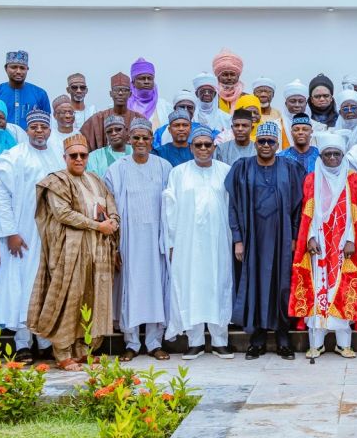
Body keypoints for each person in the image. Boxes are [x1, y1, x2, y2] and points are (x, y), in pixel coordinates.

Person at [26, 133, 119, 371]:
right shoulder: (56, 181)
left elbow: (110, 203)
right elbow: (62, 213)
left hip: (97, 249)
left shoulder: (95, 179)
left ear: (88, 156)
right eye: (73, 155)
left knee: (92, 296)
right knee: (69, 299)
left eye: (83, 155)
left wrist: (114, 221)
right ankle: (63, 352)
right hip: (71, 249)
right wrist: (99, 226)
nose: (78, 159)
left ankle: (83, 350)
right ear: (64, 157)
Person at [0, 108, 64, 362]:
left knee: (47, 284)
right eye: (34, 128)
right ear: (27, 130)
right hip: (23, 234)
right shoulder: (14, 157)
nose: (39, 131)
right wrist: (10, 232)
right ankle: (22, 343)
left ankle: (44, 341)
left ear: (50, 131)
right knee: (22, 286)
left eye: (43, 127)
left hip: (51, 234)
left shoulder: (57, 158)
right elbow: (2, 198)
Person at [228, 121, 306, 360]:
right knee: (255, 285)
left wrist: (294, 237)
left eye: (270, 141)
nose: (265, 145)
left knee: (282, 286)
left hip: (282, 237)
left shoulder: (291, 169)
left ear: (277, 144)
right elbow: (234, 206)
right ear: (255, 142)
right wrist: (238, 239)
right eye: (261, 141)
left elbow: (297, 207)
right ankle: (257, 340)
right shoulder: (242, 168)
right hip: (253, 238)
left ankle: (284, 339)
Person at [288, 131, 357, 359]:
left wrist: (352, 240)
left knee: (343, 289)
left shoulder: (352, 178)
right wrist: (310, 237)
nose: (332, 158)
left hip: (345, 245)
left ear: (343, 155)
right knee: (318, 289)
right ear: (320, 156)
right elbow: (307, 213)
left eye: (336, 154)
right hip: (320, 245)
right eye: (327, 154)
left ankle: (344, 344)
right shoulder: (312, 179)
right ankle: (317, 343)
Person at [163, 127, 235, 360]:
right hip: (187, 242)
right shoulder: (178, 173)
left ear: (214, 147)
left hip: (218, 241)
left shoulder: (225, 171)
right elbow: (170, 209)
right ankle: (194, 341)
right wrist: (171, 242)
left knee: (219, 285)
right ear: (191, 147)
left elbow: (232, 207)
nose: (203, 149)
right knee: (190, 287)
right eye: (198, 145)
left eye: (207, 145)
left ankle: (219, 340)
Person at [105, 118, 172, 361]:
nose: (141, 142)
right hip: (129, 241)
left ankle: (155, 342)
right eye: (136, 138)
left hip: (156, 240)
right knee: (129, 290)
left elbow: (171, 207)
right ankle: (131, 342)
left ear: (152, 140)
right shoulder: (117, 169)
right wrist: (114, 245)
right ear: (129, 140)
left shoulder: (164, 167)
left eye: (145, 138)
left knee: (157, 287)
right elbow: (109, 206)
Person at [0, 50, 50, 128]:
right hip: (1, 139)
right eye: (14, 67)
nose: (18, 71)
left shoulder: (40, 94)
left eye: (22, 68)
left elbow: (47, 123)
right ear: (6, 68)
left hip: (30, 139)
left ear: (27, 70)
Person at [80, 73, 145, 152]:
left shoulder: (139, 119)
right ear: (111, 94)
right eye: (117, 90)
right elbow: (81, 144)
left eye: (124, 90)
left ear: (130, 94)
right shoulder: (98, 119)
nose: (120, 93)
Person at [128, 57, 172, 128]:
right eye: (142, 78)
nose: (146, 82)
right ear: (133, 82)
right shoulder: (125, 105)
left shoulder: (164, 106)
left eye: (150, 78)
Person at [212, 48, 245, 112]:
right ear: (218, 77)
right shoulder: (212, 98)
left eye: (232, 74)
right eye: (225, 75)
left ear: (238, 76)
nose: (229, 78)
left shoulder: (246, 97)